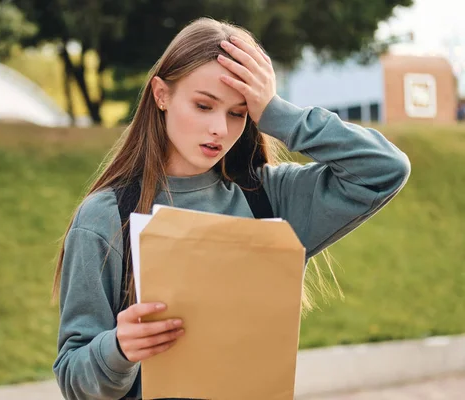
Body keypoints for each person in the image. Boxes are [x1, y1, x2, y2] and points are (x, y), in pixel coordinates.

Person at [51, 17, 411, 400]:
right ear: (161, 94)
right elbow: (74, 379)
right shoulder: (105, 217)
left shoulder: (271, 199)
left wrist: (276, 112)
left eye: (238, 112)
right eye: (203, 105)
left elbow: (384, 169)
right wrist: (119, 349)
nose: (219, 128)